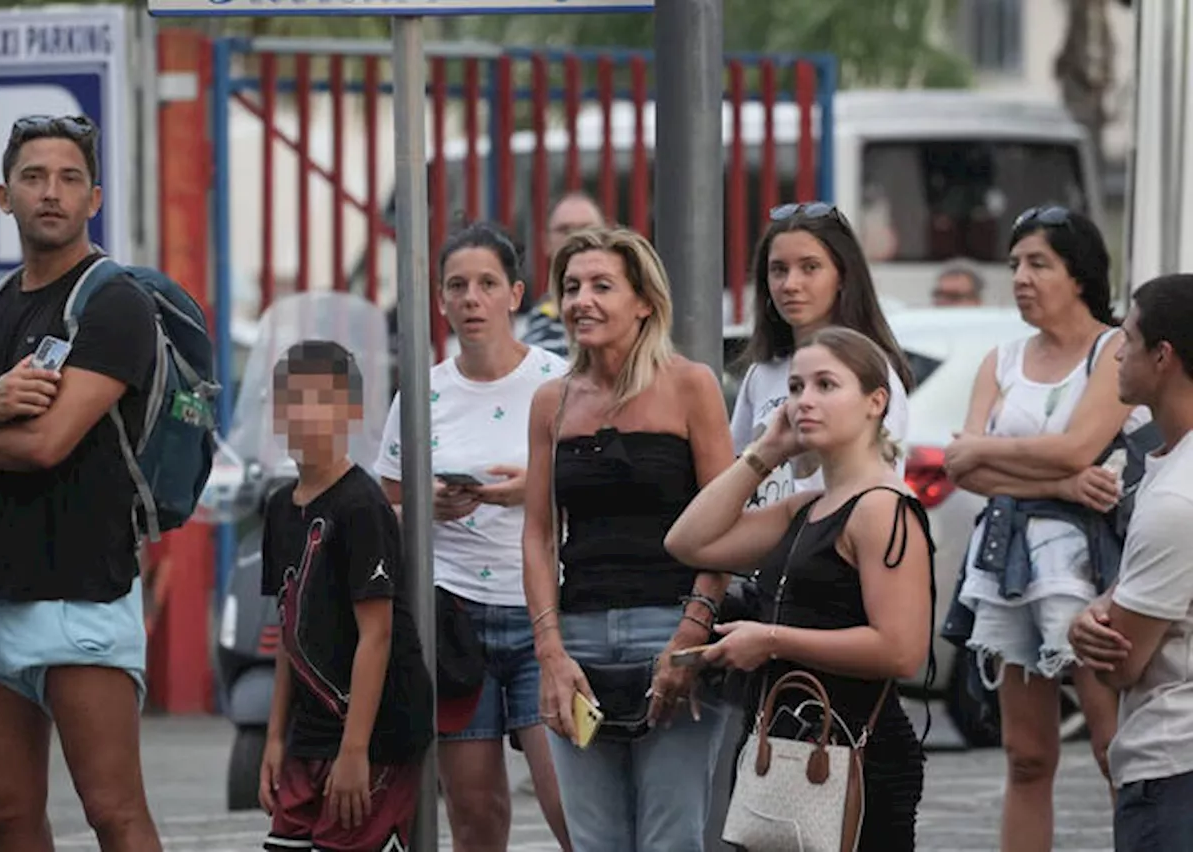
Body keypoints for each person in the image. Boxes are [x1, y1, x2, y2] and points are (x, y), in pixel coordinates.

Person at [0, 115, 162, 851]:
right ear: (3, 196)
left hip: (79, 595)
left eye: (68, 178)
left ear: (94, 199)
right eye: (32, 177)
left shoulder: (114, 304)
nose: (50, 192)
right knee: (1, 811)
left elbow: (48, 444)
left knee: (112, 810)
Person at [665, 326, 936, 850]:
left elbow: (901, 651)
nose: (803, 402)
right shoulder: (806, 508)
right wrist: (764, 452)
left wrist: (770, 640)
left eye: (825, 386)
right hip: (788, 745)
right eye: (794, 388)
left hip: (854, 752)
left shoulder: (881, 509)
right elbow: (688, 542)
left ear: (875, 402)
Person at [942, 206, 1150, 852]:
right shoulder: (1000, 359)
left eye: (1039, 264)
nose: (1022, 278)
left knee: (1114, 744)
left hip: (1092, 562)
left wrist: (988, 453)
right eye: (1014, 266)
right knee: (1025, 755)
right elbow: (960, 467)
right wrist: (1057, 484)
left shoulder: (1112, 348)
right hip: (1008, 561)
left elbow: (1075, 445)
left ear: (1079, 273)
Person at [522, 226, 736, 852]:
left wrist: (691, 638)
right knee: (595, 841)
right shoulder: (550, 403)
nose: (580, 300)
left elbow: (723, 523)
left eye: (601, 286)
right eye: (570, 287)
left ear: (644, 301)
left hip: (671, 629)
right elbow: (538, 535)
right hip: (578, 639)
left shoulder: (690, 385)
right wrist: (549, 653)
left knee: (671, 837)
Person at [375, 222, 571, 852]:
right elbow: (386, 514)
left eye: (487, 284)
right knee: (474, 810)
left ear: (515, 294)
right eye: (456, 286)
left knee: (569, 798)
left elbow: (600, 493)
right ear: (439, 300)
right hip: (453, 616)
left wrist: (534, 489)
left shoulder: (560, 382)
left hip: (544, 614)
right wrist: (426, 507)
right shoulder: (422, 394)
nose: (471, 299)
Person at [258, 340, 433, 852]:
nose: (304, 414)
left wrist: (355, 750)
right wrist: (275, 739)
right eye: (292, 400)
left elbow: (376, 636)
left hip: (376, 734)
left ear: (350, 412)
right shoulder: (277, 508)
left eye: (321, 400)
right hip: (307, 734)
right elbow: (289, 631)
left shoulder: (362, 505)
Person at [1068, 274, 1193, 851]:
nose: (1117, 351)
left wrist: (1090, 623)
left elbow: (1121, 662)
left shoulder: (1176, 498)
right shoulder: (1169, 470)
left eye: (1128, 337)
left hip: (1173, 770)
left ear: (1163, 356)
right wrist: (1103, 606)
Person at [731, 201, 915, 509]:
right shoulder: (761, 373)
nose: (790, 284)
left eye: (810, 267)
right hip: (761, 551)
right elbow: (735, 472)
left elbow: (880, 493)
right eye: (778, 269)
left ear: (843, 275)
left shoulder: (871, 369)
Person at [521, 191, 607, 357]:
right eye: (564, 230)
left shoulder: (629, 314)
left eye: (587, 228)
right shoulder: (529, 328)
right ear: (546, 241)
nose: (575, 237)